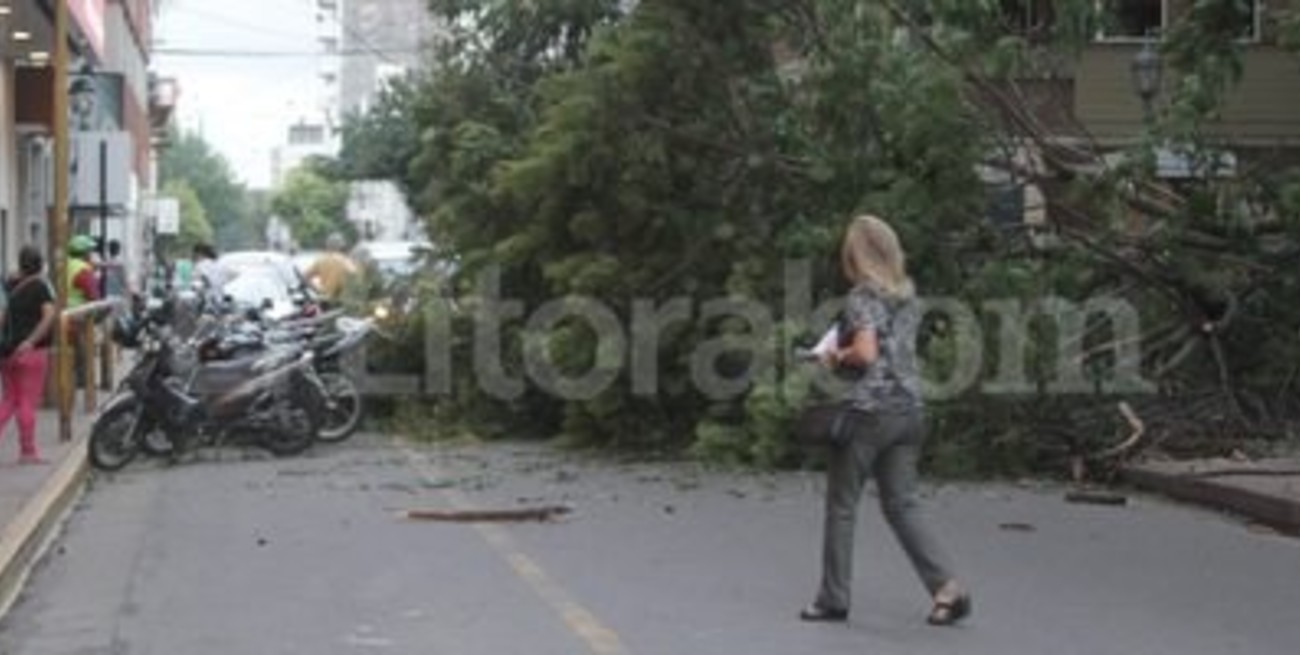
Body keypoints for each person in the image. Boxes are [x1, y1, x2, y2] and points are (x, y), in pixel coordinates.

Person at [800, 215, 971, 626]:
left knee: (842, 506)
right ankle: (947, 587)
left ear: (854, 254)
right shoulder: (908, 297)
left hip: (869, 413)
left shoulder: (863, 297)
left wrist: (832, 356)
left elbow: (866, 354)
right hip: (909, 411)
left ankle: (832, 598)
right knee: (903, 504)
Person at [0, 246, 58, 464]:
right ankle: (28, 451)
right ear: (41, 263)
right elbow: (49, 317)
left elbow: (2, 318)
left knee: (8, 400)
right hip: (31, 353)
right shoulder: (41, 287)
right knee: (26, 401)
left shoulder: (11, 286)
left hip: (6, 352)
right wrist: (31, 341)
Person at [304, 232, 359, 304]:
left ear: (327, 246)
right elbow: (355, 277)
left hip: (325, 299)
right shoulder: (345, 261)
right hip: (341, 301)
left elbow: (305, 277)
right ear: (341, 246)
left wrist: (317, 290)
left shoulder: (321, 260)